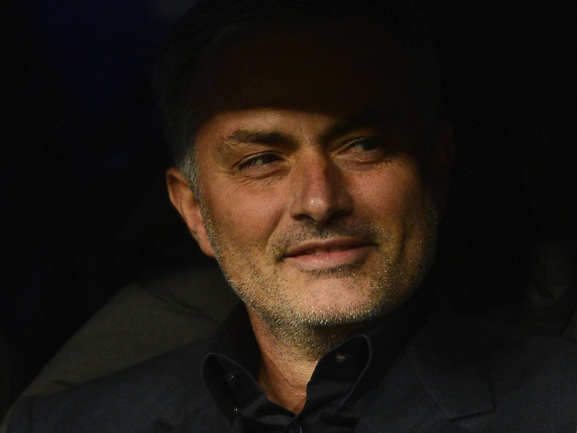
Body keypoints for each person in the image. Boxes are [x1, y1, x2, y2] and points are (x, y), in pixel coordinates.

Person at [6, 0, 577, 431]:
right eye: (261, 160)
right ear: (194, 210)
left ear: (437, 173)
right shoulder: (62, 425)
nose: (320, 201)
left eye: (364, 145)